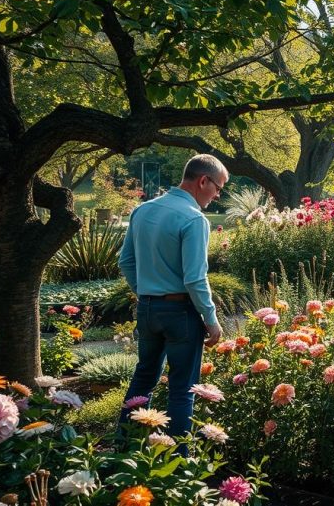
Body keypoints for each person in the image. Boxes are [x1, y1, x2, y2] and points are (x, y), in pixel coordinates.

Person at [118, 154, 227, 448]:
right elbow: (194, 278)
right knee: (182, 389)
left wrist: (147, 291)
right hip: (180, 312)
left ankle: (124, 447)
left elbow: (125, 261)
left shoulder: (142, 211)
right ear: (203, 181)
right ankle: (179, 462)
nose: (217, 196)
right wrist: (211, 318)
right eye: (218, 188)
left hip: (148, 309)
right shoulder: (193, 219)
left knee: (143, 379)